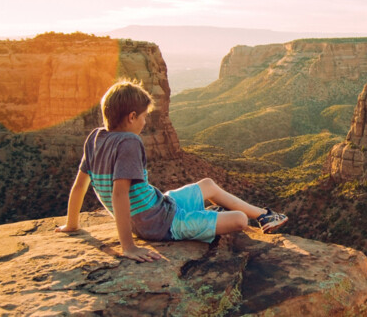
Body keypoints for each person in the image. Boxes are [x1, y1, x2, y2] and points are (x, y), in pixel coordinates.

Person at [55, 79, 288, 262]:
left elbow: (79, 186)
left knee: (207, 183)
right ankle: (221, 215)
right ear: (132, 117)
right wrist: (128, 247)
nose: (145, 123)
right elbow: (119, 194)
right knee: (238, 219)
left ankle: (263, 215)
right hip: (163, 225)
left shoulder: (95, 137)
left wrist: (72, 224)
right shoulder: (129, 142)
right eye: (144, 117)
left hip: (160, 206)